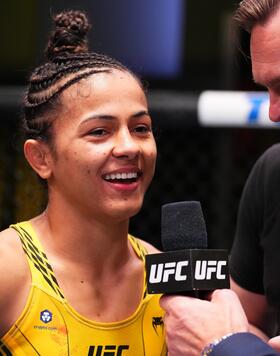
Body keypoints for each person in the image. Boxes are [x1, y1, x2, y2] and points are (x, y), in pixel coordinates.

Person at [0, 10, 167, 355]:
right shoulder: (8, 268)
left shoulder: (165, 275)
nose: (128, 147)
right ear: (41, 158)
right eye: (99, 132)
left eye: (140, 128)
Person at [160, 0, 280, 354]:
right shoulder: (273, 176)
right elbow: (247, 321)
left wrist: (223, 345)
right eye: (267, 89)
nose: (274, 112)